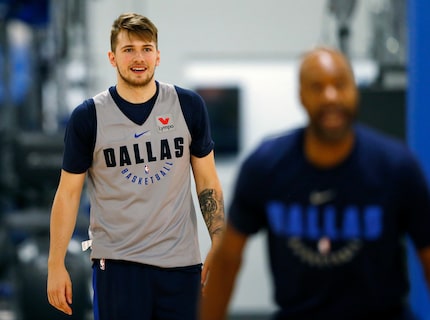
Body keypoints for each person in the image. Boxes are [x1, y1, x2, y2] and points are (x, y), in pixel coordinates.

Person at [200, 47, 430, 320]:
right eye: (317, 87)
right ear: (301, 96)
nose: (330, 96)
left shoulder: (396, 167)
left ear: (355, 90)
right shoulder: (266, 166)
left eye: (340, 84)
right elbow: (228, 260)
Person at [47, 12, 225, 320]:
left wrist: (220, 244)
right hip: (118, 267)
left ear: (158, 55)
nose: (138, 57)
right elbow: (68, 194)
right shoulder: (88, 116)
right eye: (128, 49)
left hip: (180, 266)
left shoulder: (188, 106)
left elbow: (207, 180)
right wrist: (54, 265)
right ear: (112, 57)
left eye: (146, 48)